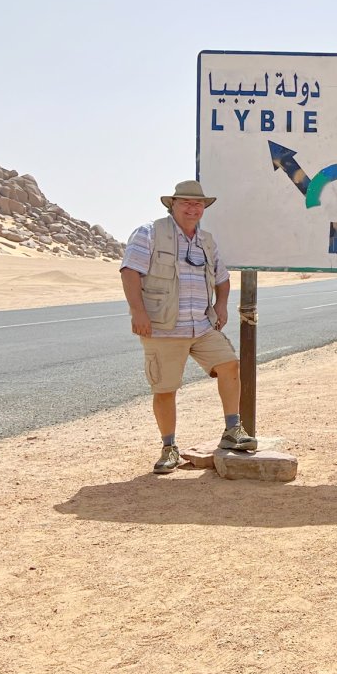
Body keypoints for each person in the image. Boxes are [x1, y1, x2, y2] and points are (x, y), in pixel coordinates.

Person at [119, 180, 255, 474]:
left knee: (229, 365)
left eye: (198, 204)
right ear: (173, 205)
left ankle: (232, 430)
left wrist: (221, 306)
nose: (193, 208)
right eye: (186, 203)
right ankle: (169, 448)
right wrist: (138, 312)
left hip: (202, 326)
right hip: (163, 327)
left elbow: (222, 278)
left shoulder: (206, 241)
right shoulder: (149, 233)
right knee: (165, 389)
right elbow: (129, 272)